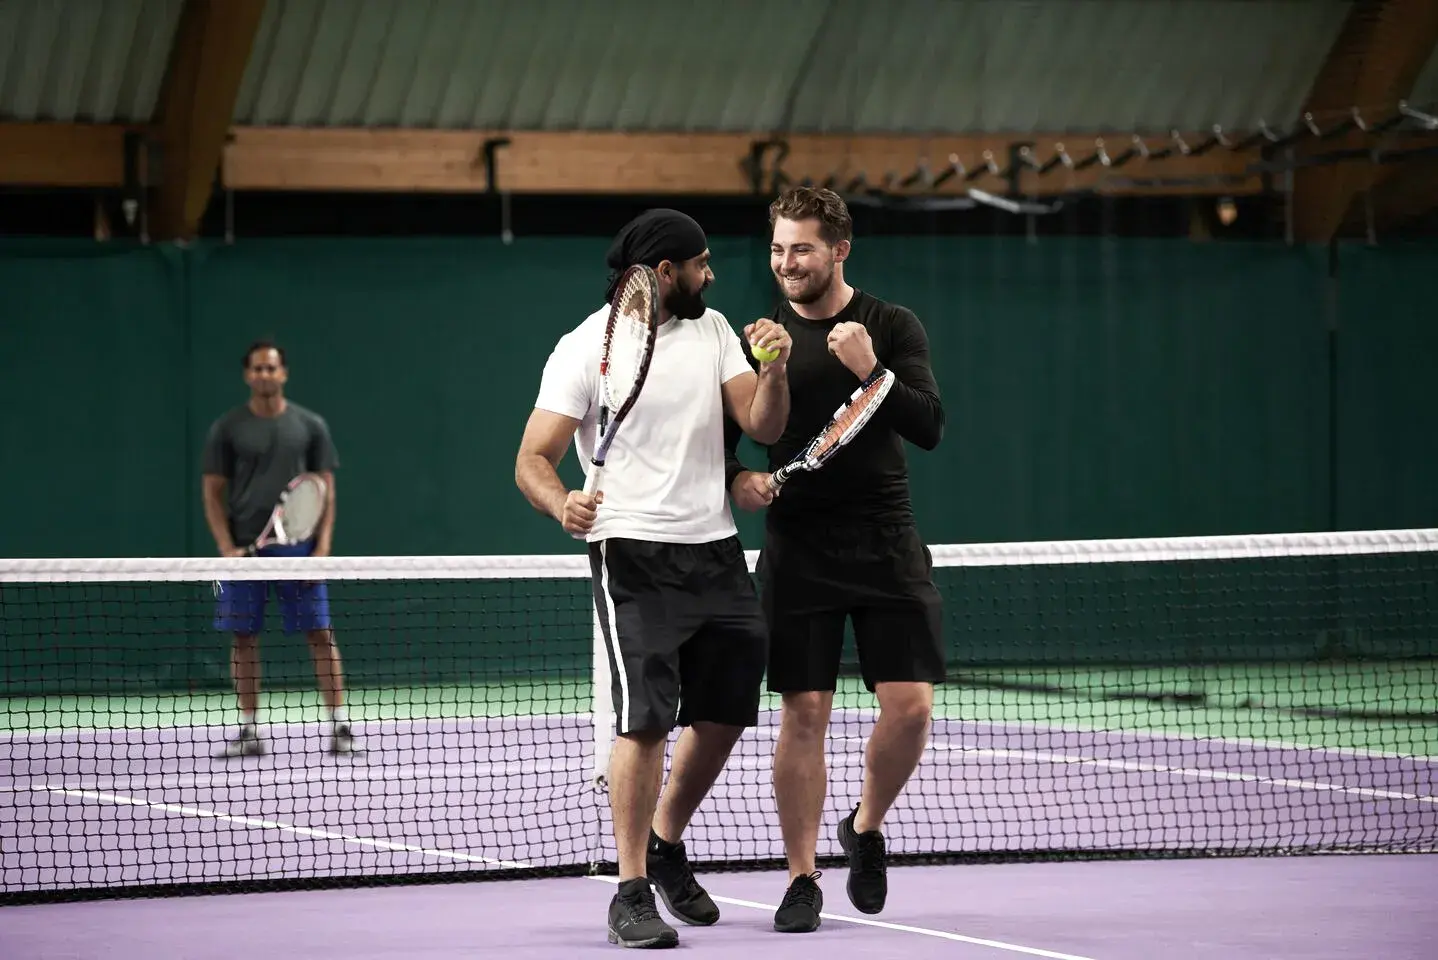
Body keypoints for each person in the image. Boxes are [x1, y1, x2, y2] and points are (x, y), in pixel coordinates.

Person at [515, 208, 792, 949]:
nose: (711, 273)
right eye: (700, 264)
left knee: (727, 712)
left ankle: (666, 841)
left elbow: (763, 426)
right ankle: (631, 890)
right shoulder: (584, 347)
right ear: (665, 273)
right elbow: (532, 459)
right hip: (632, 554)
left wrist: (775, 370)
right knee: (643, 721)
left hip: (716, 550)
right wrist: (560, 502)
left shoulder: (715, 331)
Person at [723, 186, 945, 933]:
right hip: (800, 549)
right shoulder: (763, 339)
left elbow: (930, 426)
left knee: (911, 708)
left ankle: (866, 825)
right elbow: (733, 442)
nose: (787, 263)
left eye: (803, 249)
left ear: (840, 250)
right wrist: (740, 476)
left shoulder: (891, 325)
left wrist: (872, 370)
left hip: (886, 541)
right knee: (805, 711)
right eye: (778, 249)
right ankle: (801, 876)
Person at [202, 340, 357, 759]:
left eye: (271, 368)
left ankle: (340, 726)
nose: (265, 375)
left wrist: (322, 550)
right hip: (244, 552)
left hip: (299, 550)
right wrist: (226, 547)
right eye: (258, 368)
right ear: (247, 375)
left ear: (283, 373)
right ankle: (249, 730)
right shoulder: (228, 428)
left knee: (320, 634)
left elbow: (325, 489)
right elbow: (212, 491)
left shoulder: (309, 425)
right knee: (243, 638)